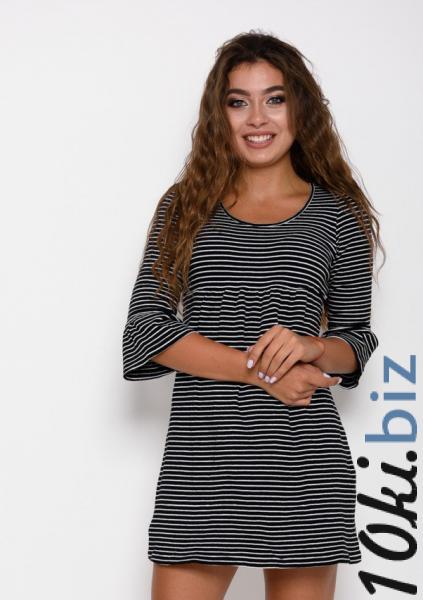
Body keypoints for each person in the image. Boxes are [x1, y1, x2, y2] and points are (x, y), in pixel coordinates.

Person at [122, 30, 384, 600]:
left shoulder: (337, 217)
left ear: (300, 109)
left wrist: (315, 347)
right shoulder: (185, 205)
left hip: (303, 464)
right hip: (203, 464)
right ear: (219, 115)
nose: (257, 118)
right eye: (238, 101)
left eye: (275, 98)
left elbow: (355, 341)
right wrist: (260, 371)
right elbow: (146, 330)